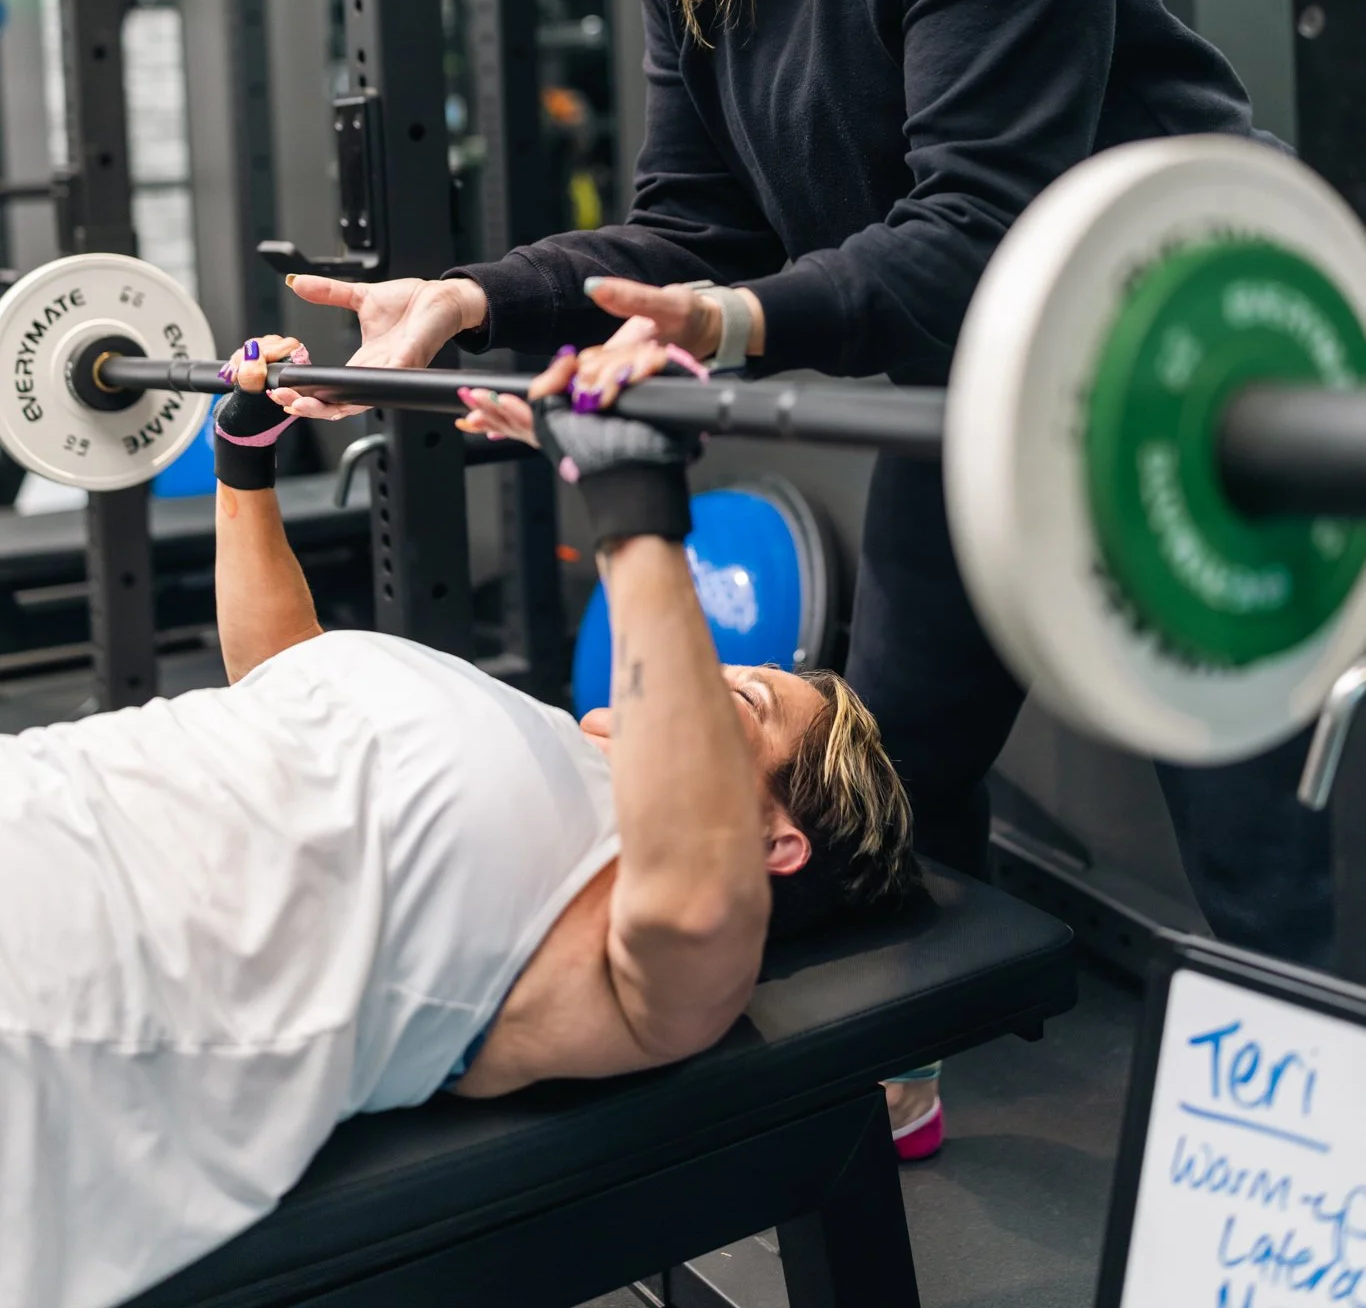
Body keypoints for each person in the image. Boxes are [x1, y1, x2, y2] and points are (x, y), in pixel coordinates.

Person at [284, 0, 1333, 1154]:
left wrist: (733, 324)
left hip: (1193, 374)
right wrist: (466, 299)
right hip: (984, 387)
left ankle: (1316, 1187)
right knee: (896, 764)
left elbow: (977, 223)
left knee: (1264, 848)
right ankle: (873, 1090)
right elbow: (679, 225)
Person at [0, 333, 918, 1308]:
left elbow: (694, 898)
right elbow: (286, 675)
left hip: (65, 984)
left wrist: (633, 506)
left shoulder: (674, 942)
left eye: (744, 699)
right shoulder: (534, 731)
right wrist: (243, 456)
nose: (707, 675)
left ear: (774, 838)